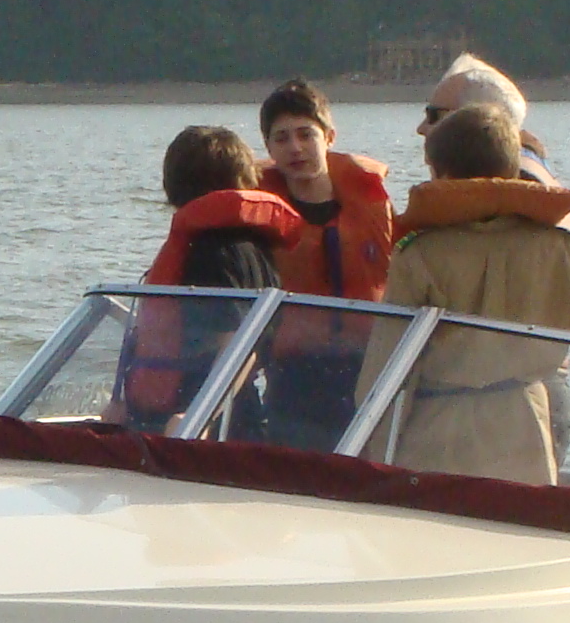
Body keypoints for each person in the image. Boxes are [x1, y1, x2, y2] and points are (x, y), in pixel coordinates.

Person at [357, 104, 570, 483]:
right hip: (526, 428)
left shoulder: (420, 254)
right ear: (513, 169)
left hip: (438, 431)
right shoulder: (561, 248)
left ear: (440, 174)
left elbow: (388, 368)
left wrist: (371, 455)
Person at [121, 125, 301, 425]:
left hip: (206, 421)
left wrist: (197, 417)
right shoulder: (244, 246)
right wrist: (120, 405)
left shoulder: (216, 251)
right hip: (182, 414)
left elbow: (240, 346)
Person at [255, 78, 396, 302]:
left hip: (368, 324)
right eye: (282, 139)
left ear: (329, 138)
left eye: (305, 135)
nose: (295, 148)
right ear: (268, 147)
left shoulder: (376, 207)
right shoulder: (258, 222)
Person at [416, 52, 570, 200]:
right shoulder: (529, 182)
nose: (420, 129)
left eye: (434, 116)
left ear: (482, 120)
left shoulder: (518, 191)